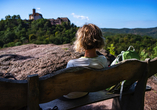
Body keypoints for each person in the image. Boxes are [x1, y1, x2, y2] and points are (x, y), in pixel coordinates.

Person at [63, 23, 108, 99]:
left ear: (80, 41)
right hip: (85, 93)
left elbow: (65, 85)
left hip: (70, 97)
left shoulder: (72, 64)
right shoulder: (103, 60)